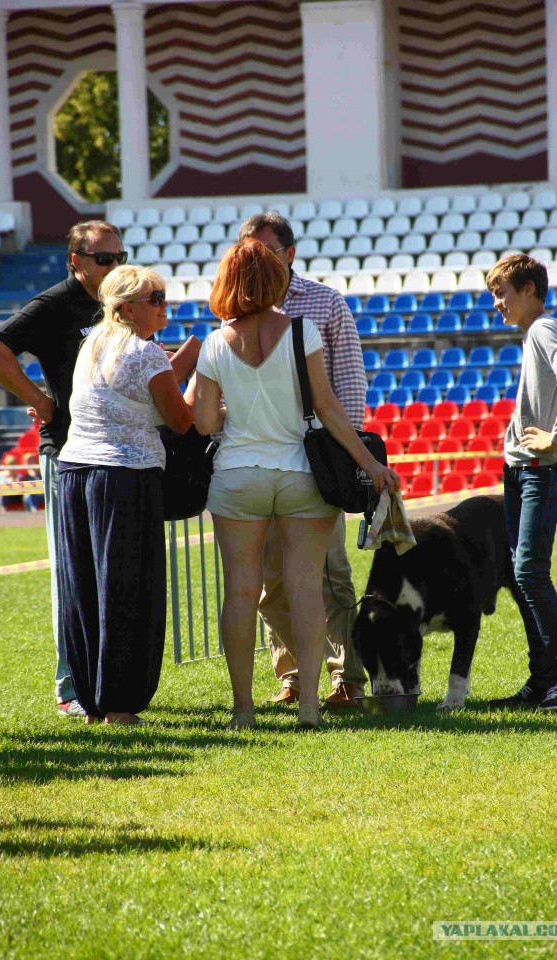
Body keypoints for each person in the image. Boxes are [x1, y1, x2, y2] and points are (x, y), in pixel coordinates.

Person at [194, 239, 399, 730]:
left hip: (237, 476)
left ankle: (243, 709)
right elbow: (328, 407)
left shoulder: (213, 343)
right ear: (277, 280)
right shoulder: (302, 331)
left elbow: (203, 422)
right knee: (307, 587)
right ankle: (310, 705)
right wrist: (372, 466)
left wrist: (235, 408)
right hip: (300, 475)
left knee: (242, 592)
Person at [0, 221, 128, 718]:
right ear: (75, 262)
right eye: (103, 258)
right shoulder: (53, 304)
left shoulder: (116, 303)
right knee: (71, 571)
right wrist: (40, 400)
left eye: (119, 256)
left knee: (106, 572)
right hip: (65, 452)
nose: (113, 266)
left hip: (112, 451)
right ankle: (71, 687)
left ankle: (105, 680)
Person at [237, 212, 370, 709]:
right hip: (259, 455)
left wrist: (348, 457)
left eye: (266, 251)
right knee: (271, 577)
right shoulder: (234, 305)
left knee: (330, 572)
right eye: (247, 250)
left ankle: (346, 678)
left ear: (289, 254)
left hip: (318, 456)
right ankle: (291, 674)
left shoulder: (326, 302)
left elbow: (349, 386)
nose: (255, 260)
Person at [57, 265, 193, 725]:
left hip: (75, 471)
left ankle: (93, 701)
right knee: (127, 588)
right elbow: (180, 420)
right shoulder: (146, 353)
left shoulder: (92, 343)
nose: (164, 306)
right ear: (127, 307)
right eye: (155, 298)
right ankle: (120, 703)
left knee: (85, 588)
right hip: (125, 477)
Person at [486, 254, 557, 712]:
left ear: (530, 289)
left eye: (502, 294)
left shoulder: (545, 329)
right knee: (521, 572)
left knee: (529, 571)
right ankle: (542, 681)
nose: (497, 304)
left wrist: (555, 436)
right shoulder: (533, 335)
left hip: (542, 469)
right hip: (524, 468)